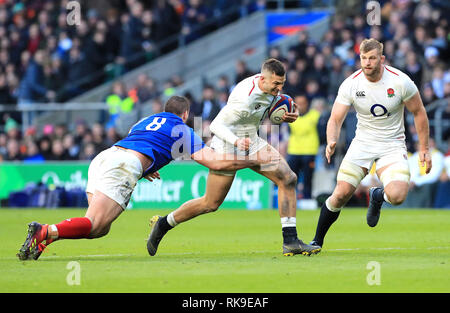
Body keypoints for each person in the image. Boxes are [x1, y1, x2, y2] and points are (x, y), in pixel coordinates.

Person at [17, 96, 273, 260]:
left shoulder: (146, 120)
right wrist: (254, 160)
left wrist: (147, 167)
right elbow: (214, 161)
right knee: (94, 224)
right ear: (185, 114)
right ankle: (44, 231)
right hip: (123, 165)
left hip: (105, 156)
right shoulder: (181, 128)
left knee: (99, 229)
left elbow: (142, 141)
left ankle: (46, 239)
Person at [147, 58, 322, 257]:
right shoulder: (244, 98)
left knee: (288, 178)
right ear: (263, 79)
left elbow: (279, 99)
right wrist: (237, 142)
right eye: (276, 84)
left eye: (282, 84)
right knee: (210, 203)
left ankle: (290, 240)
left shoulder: (270, 86)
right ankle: (164, 223)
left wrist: (292, 109)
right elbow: (216, 126)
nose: (279, 88)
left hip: (252, 139)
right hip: (227, 144)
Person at [310, 38, 432, 248]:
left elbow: (419, 112)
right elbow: (336, 118)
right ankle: (317, 241)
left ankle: (378, 195)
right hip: (362, 144)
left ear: (382, 59)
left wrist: (424, 148)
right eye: (363, 58)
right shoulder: (351, 83)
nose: (367, 62)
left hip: (392, 145)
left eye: (372, 58)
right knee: (340, 194)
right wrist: (331, 140)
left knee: (397, 196)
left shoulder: (401, 81)